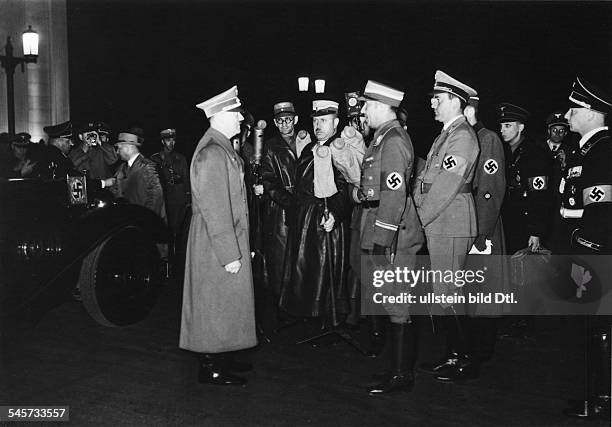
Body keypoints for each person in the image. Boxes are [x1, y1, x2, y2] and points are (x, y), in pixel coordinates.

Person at [179, 86, 257, 386]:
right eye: (236, 114)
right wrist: (229, 253)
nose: (241, 120)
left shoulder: (221, 147)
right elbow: (215, 207)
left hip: (223, 237)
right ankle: (211, 365)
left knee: (226, 302)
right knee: (215, 303)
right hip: (215, 241)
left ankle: (222, 356)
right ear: (222, 115)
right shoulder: (213, 152)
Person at [353, 80, 424, 394]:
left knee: (398, 301)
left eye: (367, 105)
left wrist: (384, 243)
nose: (364, 111)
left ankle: (401, 375)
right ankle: (396, 370)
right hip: (378, 220)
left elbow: (394, 196)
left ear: (381, 105)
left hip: (393, 231)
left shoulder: (393, 139)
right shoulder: (383, 137)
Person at [414, 70, 480, 382]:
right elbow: (426, 178)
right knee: (445, 292)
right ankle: (455, 355)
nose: (432, 105)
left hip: (450, 220)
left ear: (455, 101)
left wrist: (419, 217)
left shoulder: (463, 137)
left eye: (437, 100)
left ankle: (465, 359)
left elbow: (445, 185)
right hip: (441, 219)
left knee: (450, 292)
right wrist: (416, 204)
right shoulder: (448, 134)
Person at [562, 76, 612, 419]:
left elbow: (602, 209)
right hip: (582, 246)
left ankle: (602, 396)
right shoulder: (586, 149)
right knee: (588, 327)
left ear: (592, 113)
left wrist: (587, 249)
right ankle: (593, 393)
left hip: (595, 249)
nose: (567, 115)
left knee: (599, 327)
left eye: (573, 109)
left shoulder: (604, 149)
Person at [279, 100, 351, 319]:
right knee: (305, 271)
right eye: (316, 120)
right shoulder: (310, 148)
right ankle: (307, 315)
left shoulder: (340, 149)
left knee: (323, 274)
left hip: (324, 222)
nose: (318, 125)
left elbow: (346, 187)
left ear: (336, 122)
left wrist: (335, 214)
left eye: (324, 120)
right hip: (304, 220)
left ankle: (325, 318)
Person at [463, 94, 508, 363]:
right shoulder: (465, 138)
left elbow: (490, 189)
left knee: (485, 290)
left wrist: (482, 231)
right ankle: (470, 347)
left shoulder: (487, 139)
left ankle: (482, 350)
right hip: (468, 222)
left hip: (483, 225)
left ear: (470, 109)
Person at [498, 103, 553, 255]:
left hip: (525, 223)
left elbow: (540, 196)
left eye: (507, 125)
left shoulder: (534, 154)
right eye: (501, 125)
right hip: (507, 220)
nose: (502, 130)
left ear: (521, 127)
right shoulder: (504, 152)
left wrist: (536, 231)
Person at [261, 102, 299, 297]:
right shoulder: (270, 146)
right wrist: (288, 200)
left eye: (288, 119)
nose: (285, 124)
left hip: (304, 208)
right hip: (280, 211)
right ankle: (281, 302)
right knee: (281, 258)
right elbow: (268, 180)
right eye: (280, 120)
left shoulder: (306, 142)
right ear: (275, 123)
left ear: (296, 120)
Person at [151, 128, 191, 274]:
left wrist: (188, 198)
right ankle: (165, 261)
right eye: (168, 140)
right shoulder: (155, 158)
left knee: (177, 232)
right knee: (164, 230)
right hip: (165, 198)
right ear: (162, 141)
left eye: (173, 139)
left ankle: (176, 262)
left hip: (179, 198)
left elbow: (186, 178)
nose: (171, 143)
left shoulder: (181, 158)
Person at [106, 131, 166, 221]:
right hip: (131, 220)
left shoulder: (147, 166)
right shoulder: (122, 168)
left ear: (128, 147)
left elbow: (156, 197)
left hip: (146, 223)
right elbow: (116, 189)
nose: (118, 152)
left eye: (119, 148)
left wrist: (145, 219)